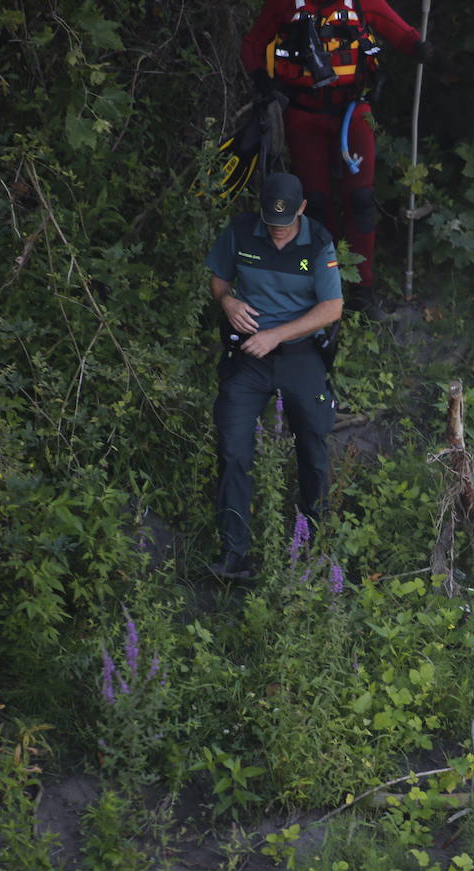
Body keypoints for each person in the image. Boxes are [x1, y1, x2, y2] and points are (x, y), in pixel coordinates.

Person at [240, 0, 434, 315]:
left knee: (359, 199)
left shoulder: (362, 3)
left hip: (353, 110)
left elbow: (400, 33)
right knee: (315, 203)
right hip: (303, 114)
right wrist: (262, 80)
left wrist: (419, 47)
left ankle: (362, 291)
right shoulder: (285, 5)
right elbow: (251, 45)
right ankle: (326, 286)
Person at [205, 172, 344, 579]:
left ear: (301, 209)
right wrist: (227, 301)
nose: (277, 234)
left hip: (298, 353)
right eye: (271, 224)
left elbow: (331, 308)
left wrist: (275, 336)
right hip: (247, 356)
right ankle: (235, 553)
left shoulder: (318, 243)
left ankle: (316, 545)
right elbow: (218, 279)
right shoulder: (240, 232)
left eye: (284, 226)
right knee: (233, 449)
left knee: (313, 446)